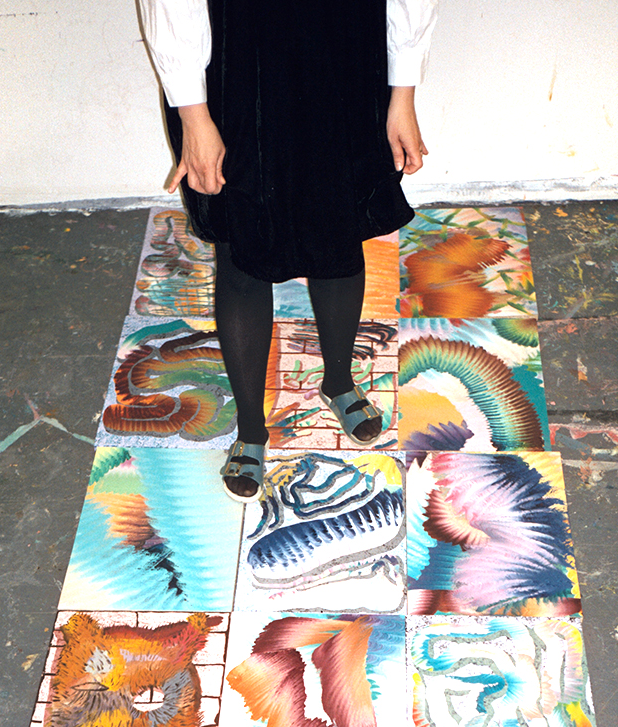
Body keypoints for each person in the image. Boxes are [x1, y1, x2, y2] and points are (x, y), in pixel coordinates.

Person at [138, 0, 437, 501]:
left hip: (347, 60)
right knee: (242, 251)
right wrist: (194, 116)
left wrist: (402, 92)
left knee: (338, 231)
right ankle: (251, 429)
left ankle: (339, 381)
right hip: (240, 68)